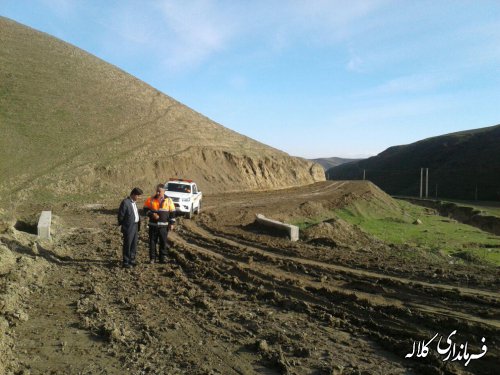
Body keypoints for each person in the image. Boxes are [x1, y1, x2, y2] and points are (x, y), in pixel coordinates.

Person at [143, 184, 176, 264]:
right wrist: (151, 214)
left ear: (164, 191)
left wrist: (171, 223)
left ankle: (162, 258)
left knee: (163, 242)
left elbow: (172, 213)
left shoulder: (169, 200)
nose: (157, 193)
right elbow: (145, 209)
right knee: (152, 242)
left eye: (159, 191)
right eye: (157, 191)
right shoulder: (150, 199)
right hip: (153, 226)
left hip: (164, 227)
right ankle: (152, 258)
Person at [118, 187, 143, 268]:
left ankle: (132, 259)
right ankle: (126, 262)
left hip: (135, 226)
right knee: (127, 244)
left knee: (134, 244)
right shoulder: (125, 202)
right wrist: (124, 225)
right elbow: (120, 216)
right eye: (138, 196)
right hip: (128, 227)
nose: (139, 198)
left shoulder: (134, 202)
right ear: (133, 194)